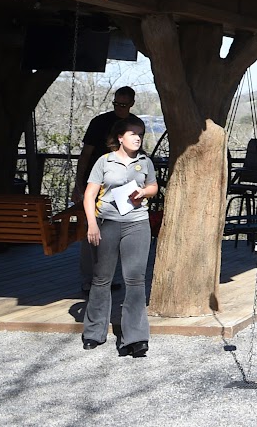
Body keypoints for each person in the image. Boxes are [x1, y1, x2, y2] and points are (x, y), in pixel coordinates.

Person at [81, 113, 158, 357]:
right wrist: (92, 224)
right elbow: (89, 195)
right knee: (101, 279)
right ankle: (94, 332)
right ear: (120, 137)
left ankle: (135, 338)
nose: (138, 138)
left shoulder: (145, 161)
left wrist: (144, 192)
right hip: (107, 223)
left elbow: (153, 187)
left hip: (137, 224)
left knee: (135, 279)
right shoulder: (104, 161)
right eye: (133, 133)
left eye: (141, 134)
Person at [75, 86, 136, 295]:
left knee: (117, 233)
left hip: (123, 185)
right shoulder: (99, 123)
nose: (120, 108)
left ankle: (109, 277)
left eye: (124, 105)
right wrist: (78, 184)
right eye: (117, 104)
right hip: (97, 184)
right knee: (91, 231)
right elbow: (86, 154)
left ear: (131, 104)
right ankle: (88, 278)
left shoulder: (134, 125)